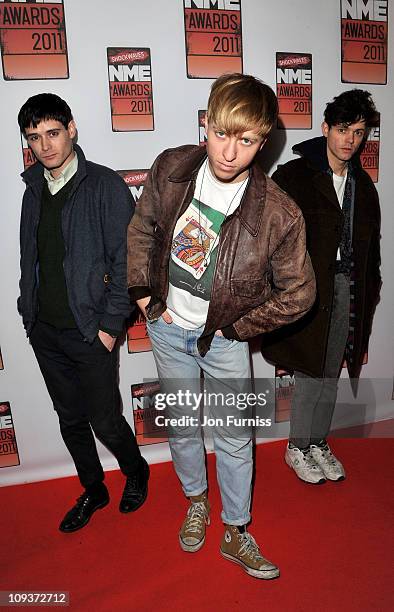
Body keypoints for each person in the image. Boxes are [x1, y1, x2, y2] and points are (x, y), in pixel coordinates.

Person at [127, 73, 315, 579]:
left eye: (248, 139)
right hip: (168, 330)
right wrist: (146, 296)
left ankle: (235, 530)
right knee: (184, 427)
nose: (230, 152)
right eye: (222, 133)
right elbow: (142, 228)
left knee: (234, 436)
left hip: (223, 339)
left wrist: (240, 326)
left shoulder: (279, 213)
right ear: (206, 122)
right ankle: (195, 502)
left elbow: (300, 291)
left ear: (264, 140)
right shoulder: (171, 168)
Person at [17, 93, 149, 533]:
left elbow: (127, 261)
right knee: (70, 420)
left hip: (91, 331)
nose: (45, 146)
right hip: (46, 332)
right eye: (34, 138)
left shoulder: (105, 185)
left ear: (71, 129)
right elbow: (28, 257)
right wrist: (27, 313)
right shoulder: (33, 189)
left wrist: (111, 327)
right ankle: (94, 489)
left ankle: (136, 471)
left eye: (53, 133)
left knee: (105, 419)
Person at [262, 89, 381, 484]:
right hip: (309, 292)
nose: (350, 139)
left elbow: (372, 253)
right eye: (343, 129)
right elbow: (268, 241)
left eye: (359, 132)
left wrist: (371, 292)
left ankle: (318, 441)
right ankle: (297, 446)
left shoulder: (364, 187)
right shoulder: (293, 177)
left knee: (332, 371)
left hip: (348, 290)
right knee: (310, 372)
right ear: (326, 128)